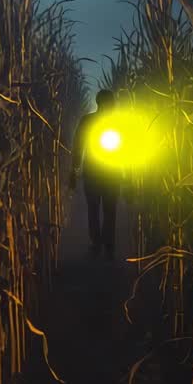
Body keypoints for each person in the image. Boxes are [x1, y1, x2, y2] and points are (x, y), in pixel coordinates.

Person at [69, 89, 123, 260]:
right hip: (101, 172)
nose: (112, 105)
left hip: (103, 172)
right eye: (111, 101)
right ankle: (104, 244)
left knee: (101, 209)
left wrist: (75, 170)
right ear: (104, 103)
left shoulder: (91, 121)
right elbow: (78, 146)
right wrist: (74, 170)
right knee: (106, 209)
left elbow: (127, 149)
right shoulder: (109, 122)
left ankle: (103, 244)